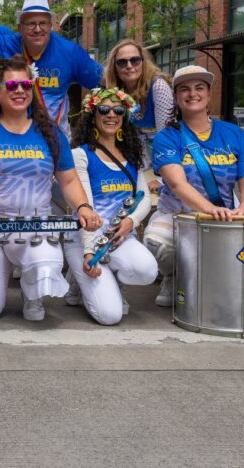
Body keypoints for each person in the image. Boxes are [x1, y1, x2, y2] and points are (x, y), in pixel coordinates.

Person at [0, 57, 100, 323]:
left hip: (35, 225)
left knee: (45, 263)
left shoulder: (50, 132)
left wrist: (83, 207)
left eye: (25, 85)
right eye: (11, 85)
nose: (19, 90)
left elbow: (68, 181)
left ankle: (33, 294)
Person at [144, 65, 244, 307]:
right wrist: (208, 208)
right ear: (175, 97)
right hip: (177, 215)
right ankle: (172, 275)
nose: (192, 93)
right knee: (157, 241)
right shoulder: (167, 136)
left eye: (199, 88)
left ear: (208, 94)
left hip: (223, 217)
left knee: (221, 292)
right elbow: (176, 183)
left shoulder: (233, 133)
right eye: (184, 89)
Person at [62, 88, 158, 325]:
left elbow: (144, 197)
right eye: (104, 109)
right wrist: (89, 252)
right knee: (111, 316)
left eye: (118, 110)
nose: (111, 115)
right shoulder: (80, 155)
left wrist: (130, 223)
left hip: (121, 236)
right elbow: (86, 207)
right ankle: (81, 279)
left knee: (147, 271)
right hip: (87, 240)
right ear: (93, 115)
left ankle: (108, 281)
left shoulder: (132, 154)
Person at [0, 0, 103, 136]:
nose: (37, 29)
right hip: (14, 138)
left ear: (51, 26)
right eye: (31, 24)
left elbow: (103, 78)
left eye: (43, 23)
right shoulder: (3, 46)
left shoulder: (70, 52)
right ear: (20, 28)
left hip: (56, 140)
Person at [100, 39, 173, 145]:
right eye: (122, 62)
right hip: (129, 151)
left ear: (143, 62)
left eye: (135, 60)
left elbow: (166, 136)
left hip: (158, 151)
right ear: (114, 67)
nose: (129, 66)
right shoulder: (114, 91)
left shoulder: (158, 87)